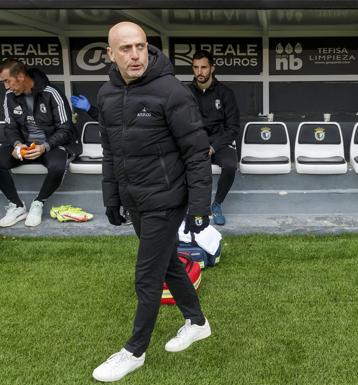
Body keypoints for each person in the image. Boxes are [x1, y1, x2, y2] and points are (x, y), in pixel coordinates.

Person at [92, 22, 214, 383]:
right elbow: (111, 152)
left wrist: (199, 207)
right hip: (135, 199)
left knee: (147, 276)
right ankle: (197, 322)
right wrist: (111, 198)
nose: (135, 55)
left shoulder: (171, 91)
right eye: (126, 48)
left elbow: (196, 153)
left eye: (140, 46)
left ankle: (134, 352)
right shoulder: (107, 95)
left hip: (166, 199)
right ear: (110, 54)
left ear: (148, 49)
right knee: (166, 265)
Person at [0, 59, 78, 227]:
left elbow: (66, 129)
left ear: (20, 76)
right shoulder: (9, 96)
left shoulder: (51, 93)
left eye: (7, 81)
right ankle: (17, 206)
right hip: (25, 146)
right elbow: (10, 127)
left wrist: (45, 146)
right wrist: (16, 144)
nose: (6, 87)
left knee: (58, 165)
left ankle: (39, 202)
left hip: (51, 145)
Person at [188, 50, 240, 226]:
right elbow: (182, 123)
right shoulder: (186, 93)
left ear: (212, 68)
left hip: (220, 142)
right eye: (196, 67)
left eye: (203, 67)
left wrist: (214, 147)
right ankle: (189, 206)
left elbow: (233, 128)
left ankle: (216, 204)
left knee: (230, 165)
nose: (199, 72)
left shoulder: (225, 93)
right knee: (175, 162)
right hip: (195, 142)